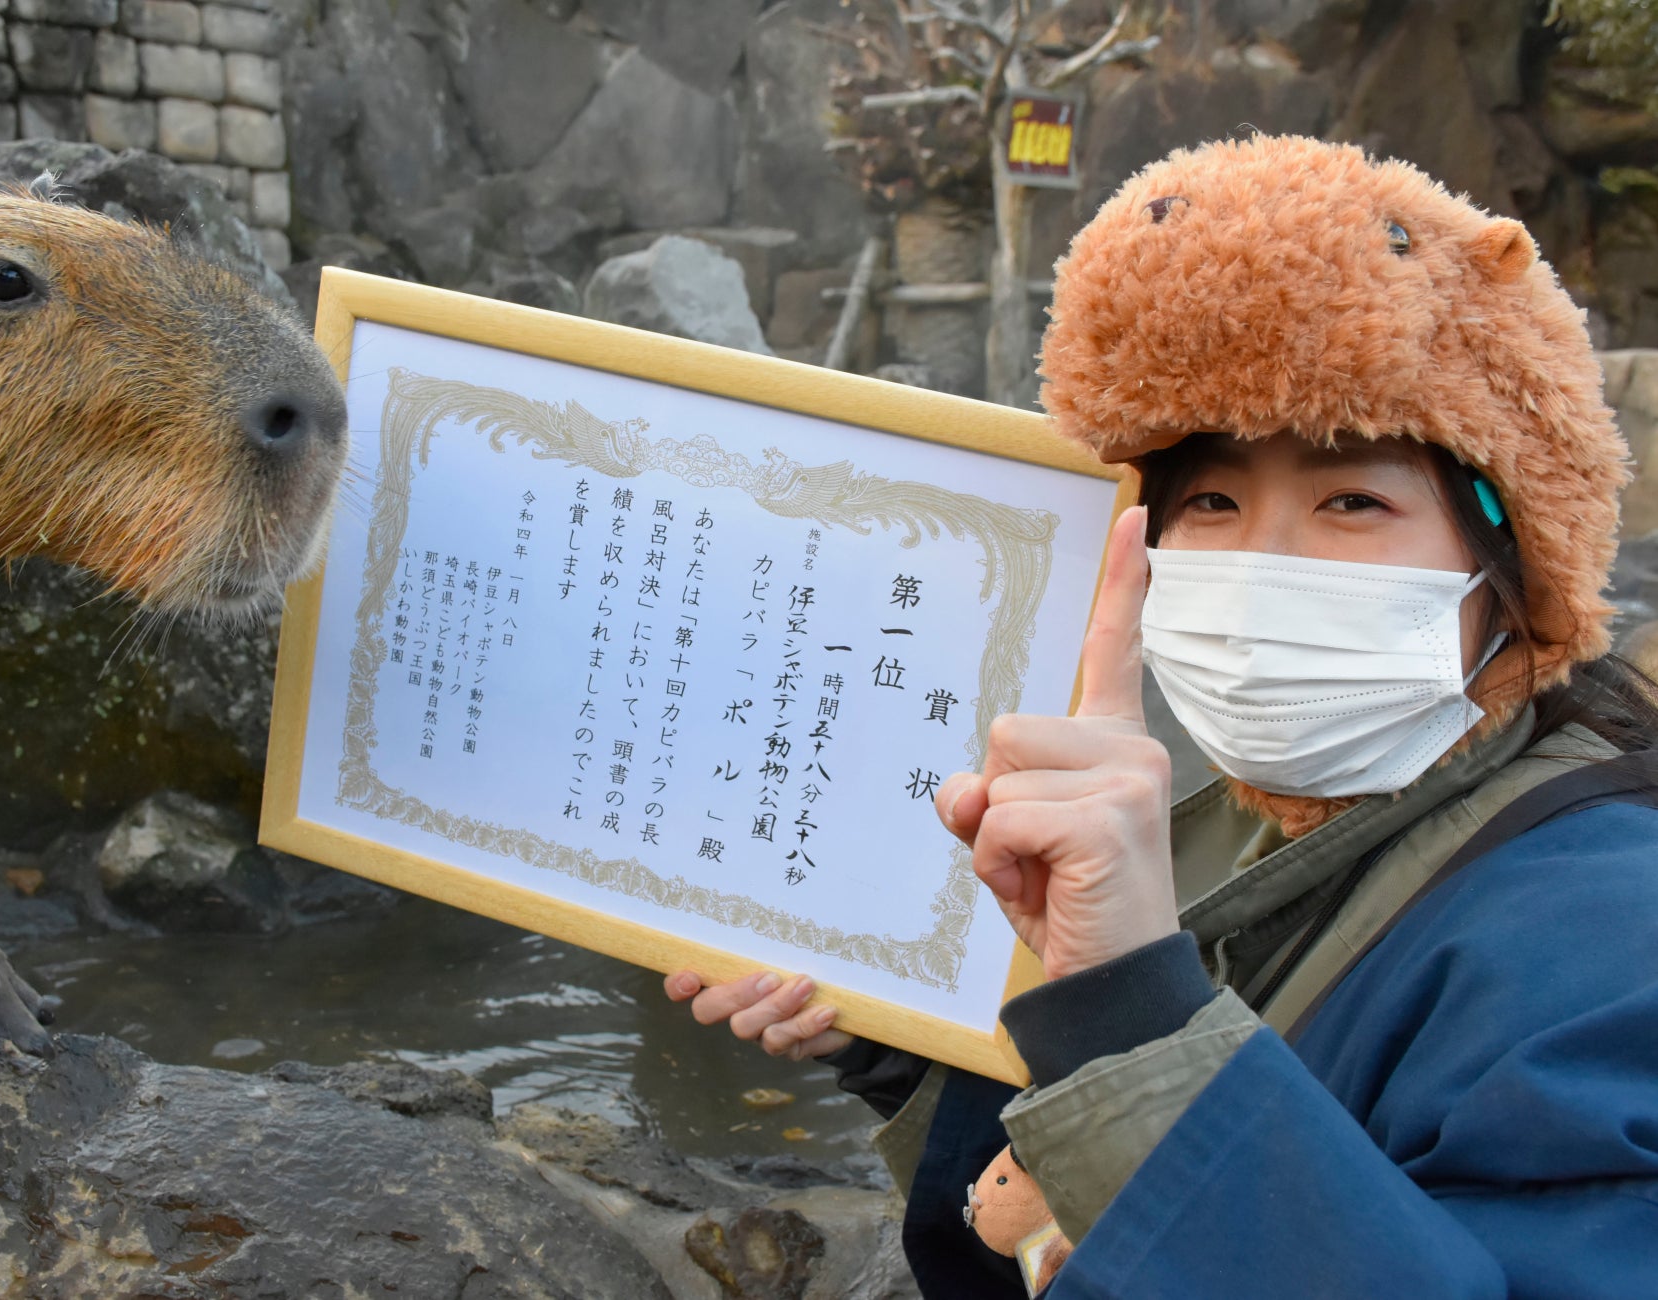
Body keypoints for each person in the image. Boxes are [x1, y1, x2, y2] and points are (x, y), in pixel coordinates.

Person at [666, 134, 1658, 1295]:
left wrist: (1135, 1004)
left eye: (1353, 499)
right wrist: (883, 1030)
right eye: (1215, 501)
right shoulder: (1243, 825)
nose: (1265, 562)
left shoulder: (1614, 935)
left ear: (1511, 562)